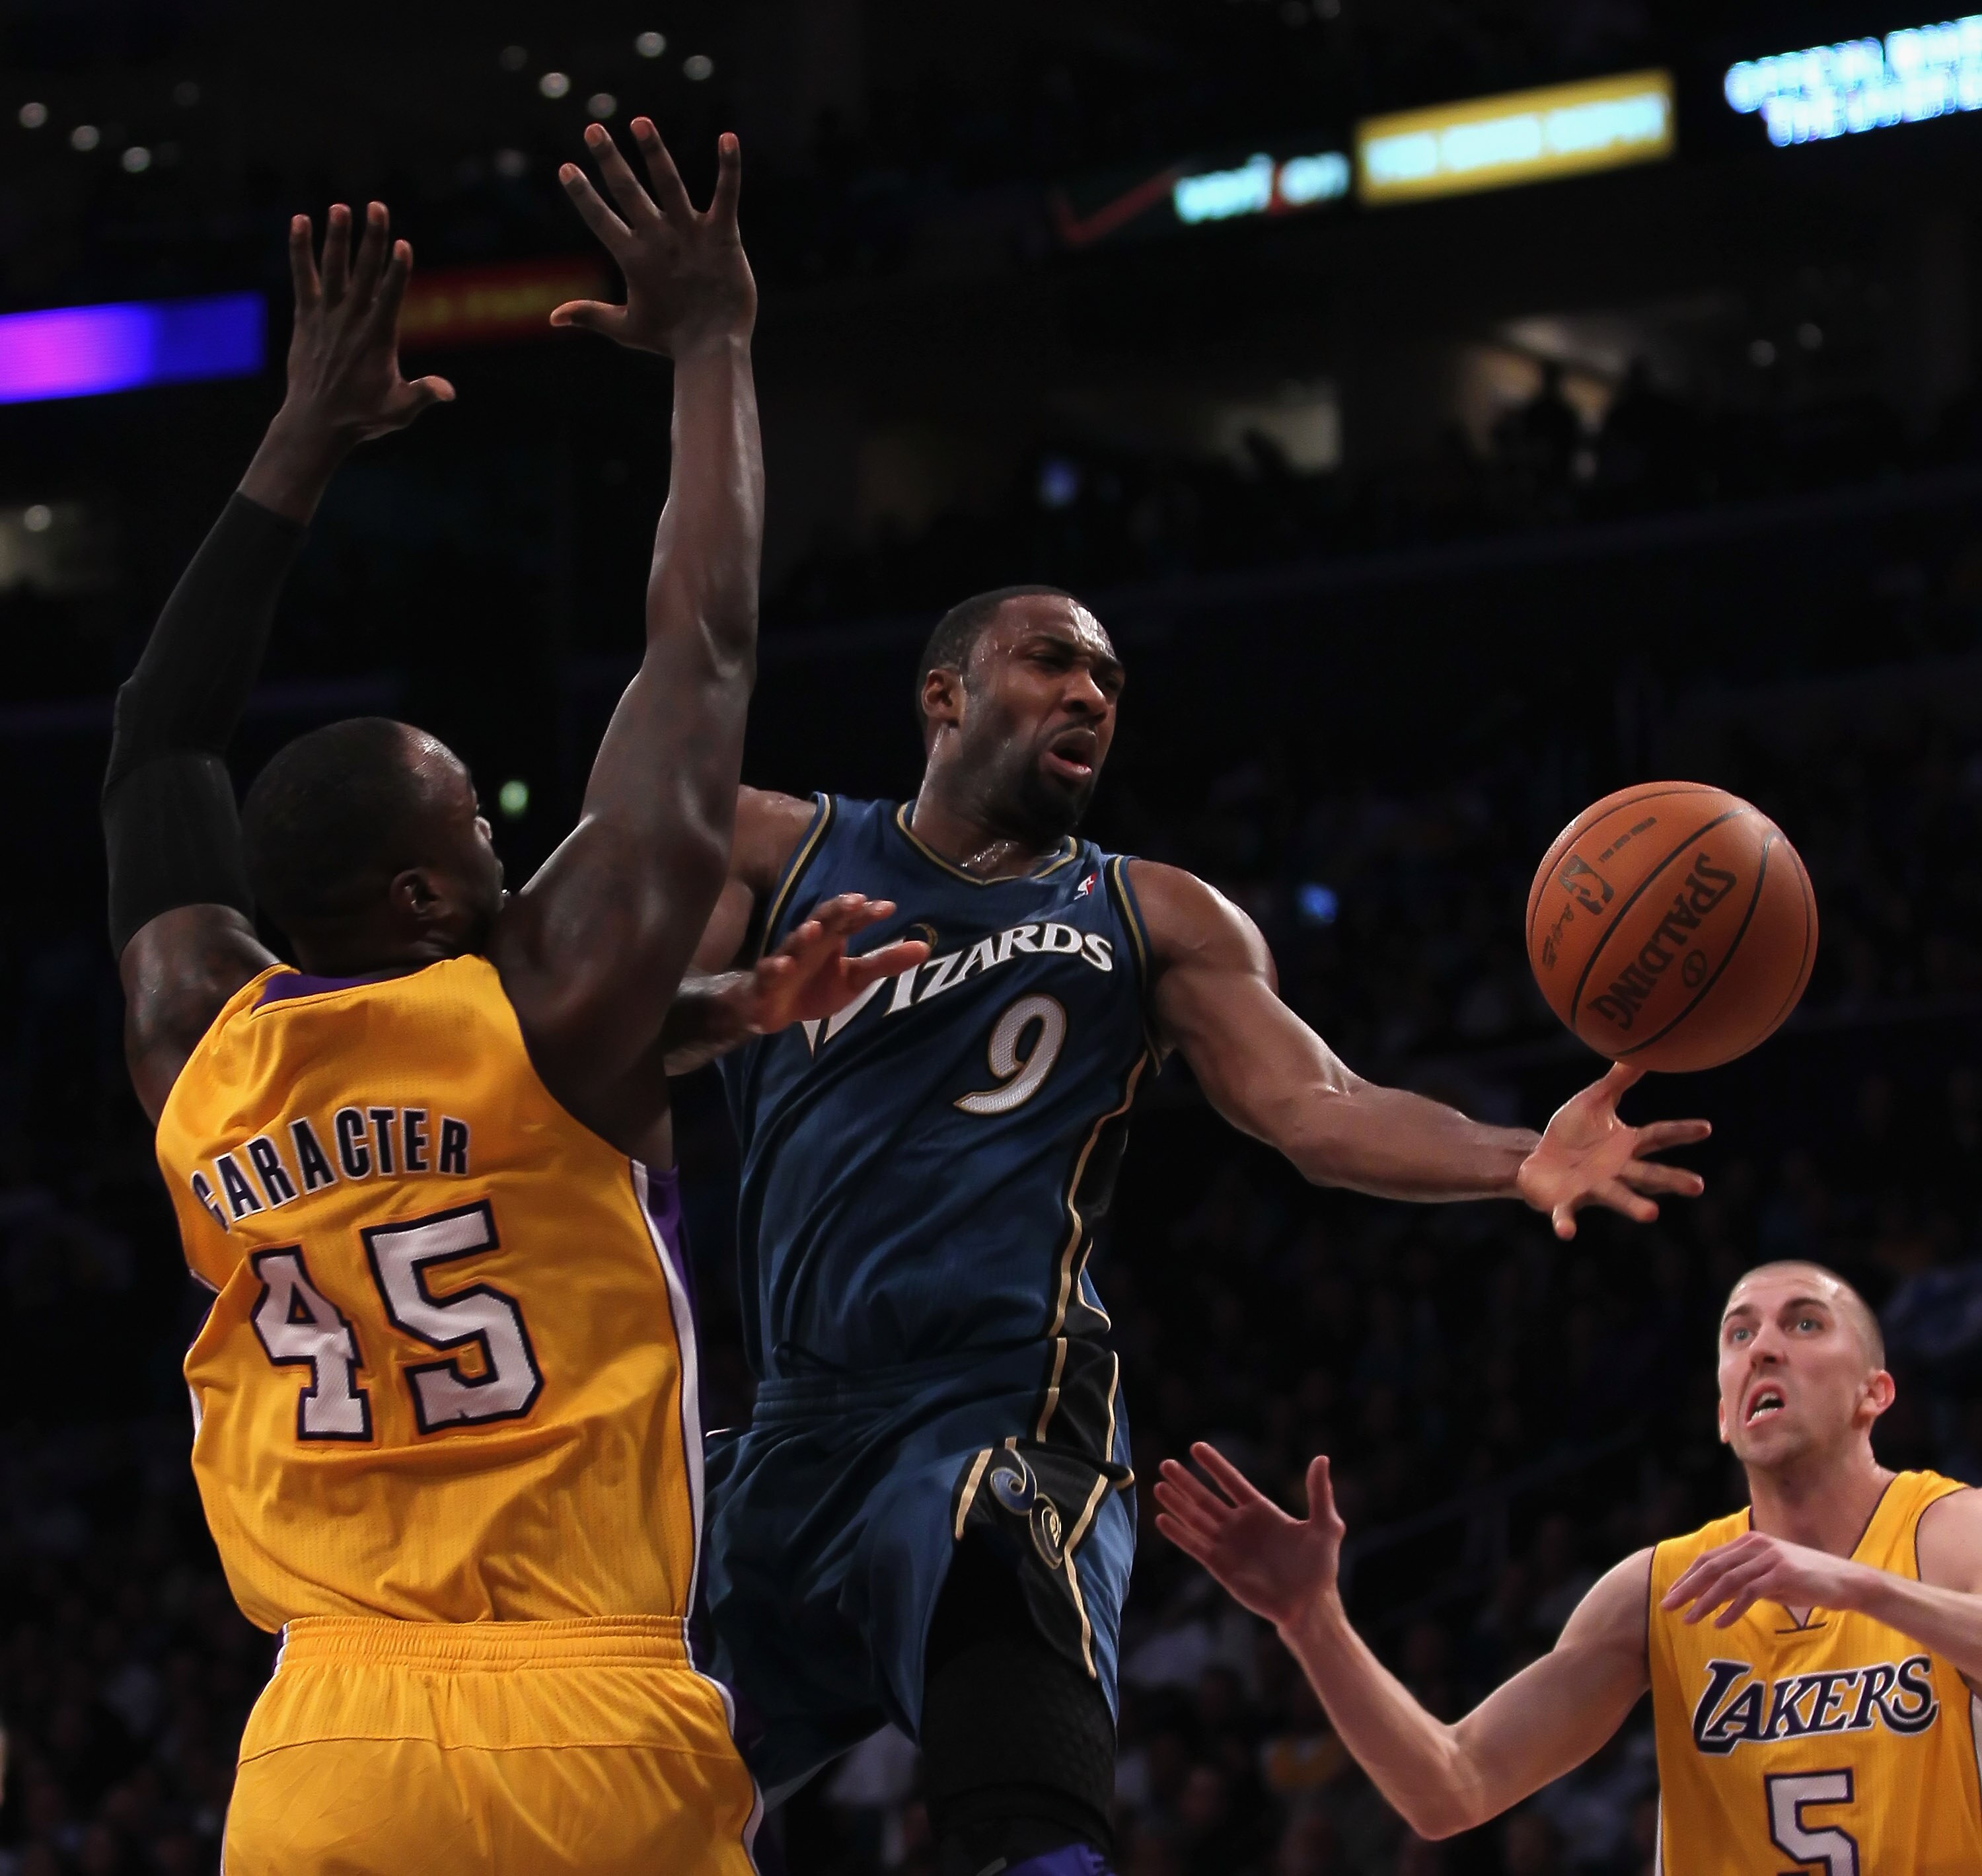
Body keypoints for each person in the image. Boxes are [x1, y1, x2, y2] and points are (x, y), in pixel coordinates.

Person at [102, 121, 918, 1875]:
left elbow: (157, 736)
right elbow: (698, 650)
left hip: (326, 1728)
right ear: (421, 892)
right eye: (479, 821)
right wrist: (713, 341)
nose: (507, 835)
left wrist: (297, 444)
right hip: (585, 1715)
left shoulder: (197, 1045)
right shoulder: (550, 1004)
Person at [675, 583, 1711, 1875]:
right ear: (943, 696)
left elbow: (1316, 1108)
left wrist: (1520, 1160)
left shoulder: (1151, 914)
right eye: (1052, 661)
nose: (1090, 696)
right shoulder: (779, 851)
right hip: (789, 1432)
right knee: (619, 1807)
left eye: (1108, 679)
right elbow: (622, 1027)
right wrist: (737, 1003)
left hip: (1000, 1408)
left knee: (1017, 1790)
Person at [1155, 1259, 1982, 1873]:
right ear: (1723, 1415)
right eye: (1739, 1332)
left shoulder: (1950, 1531)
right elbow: (1455, 1787)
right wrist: (1312, 1621)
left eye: (1804, 1323)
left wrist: (1854, 1583)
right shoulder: (1656, 1591)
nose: (1764, 1346)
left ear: (1875, 1393)